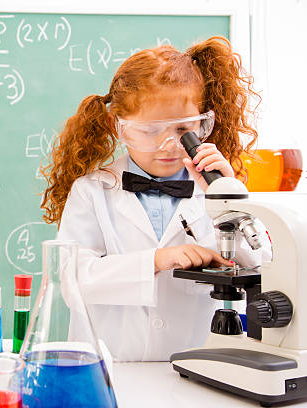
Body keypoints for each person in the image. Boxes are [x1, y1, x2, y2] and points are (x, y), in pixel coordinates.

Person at [41, 36, 267, 361]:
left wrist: (226, 200)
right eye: (149, 131)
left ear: (202, 122)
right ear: (116, 126)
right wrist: (156, 261)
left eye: (182, 130)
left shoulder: (218, 188)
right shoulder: (92, 190)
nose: (168, 146)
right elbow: (73, 282)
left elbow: (263, 264)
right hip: (111, 368)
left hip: (199, 366)